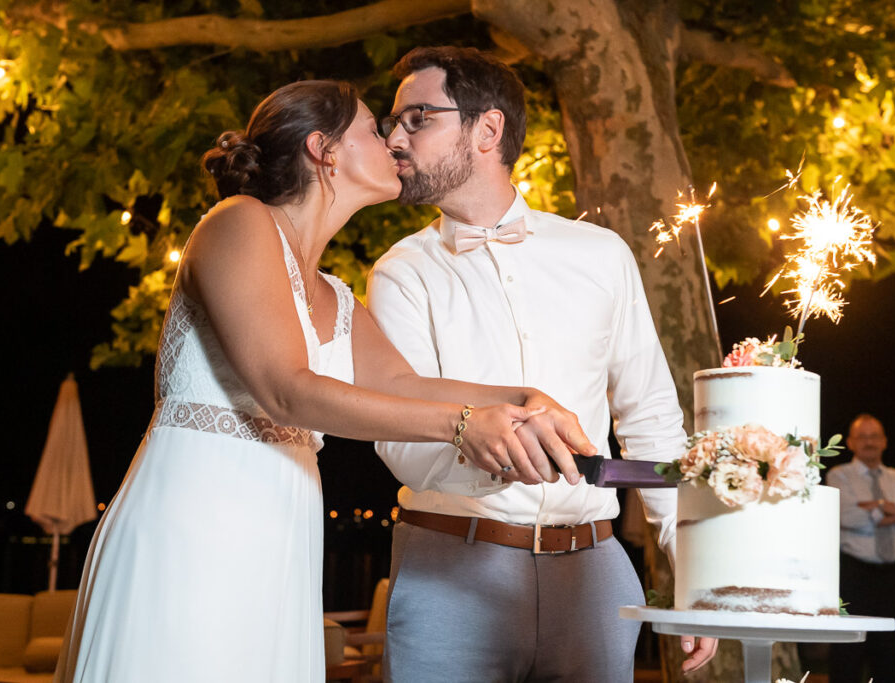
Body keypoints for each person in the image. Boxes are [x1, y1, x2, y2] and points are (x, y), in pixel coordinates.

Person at [53, 80, 595, 683]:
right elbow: (286, 389)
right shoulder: (239, 222)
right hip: (198, 517)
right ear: (323, 149)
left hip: (283, 524)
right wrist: (464, 425)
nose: (394, 142)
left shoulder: (336, 295)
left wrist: (523, 398)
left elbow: (401, 384)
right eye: (373, 129)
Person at [367, 46, 718, 682]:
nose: (394, 138)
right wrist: (503, 455)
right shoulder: (399, 272)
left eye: (417, 118)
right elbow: (399, 434)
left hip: (594, 571)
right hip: (448, 569)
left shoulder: (602, 254)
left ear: (487, 129)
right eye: (394, 122)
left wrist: (691, 566)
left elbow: (650, 414)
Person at [827, 414, 895, 683]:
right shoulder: (839, 475)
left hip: (891, 573)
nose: (869, 442)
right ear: (850, 442)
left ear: (884, 442)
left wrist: (874, 506)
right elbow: (845, 515)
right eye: (862, 437)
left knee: (886, 647)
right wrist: (891, 510)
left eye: (874, 437)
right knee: (848, 648)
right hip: (853, 572)